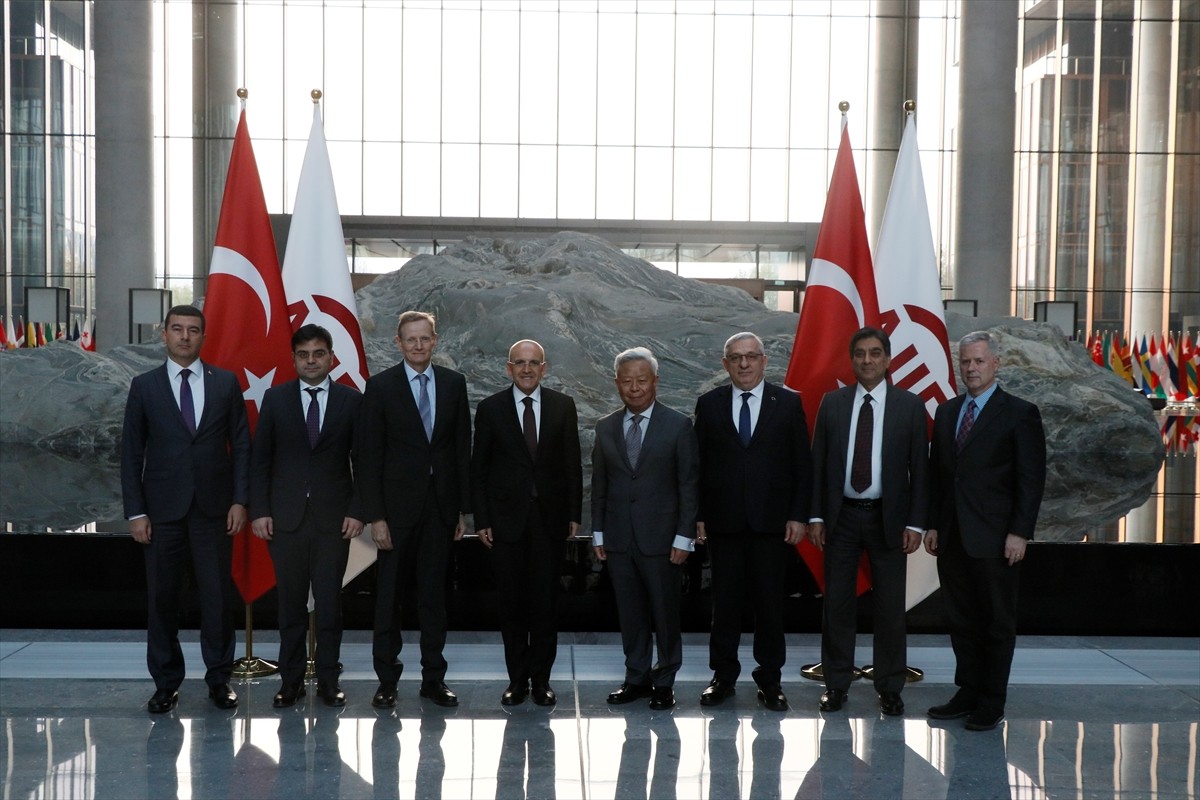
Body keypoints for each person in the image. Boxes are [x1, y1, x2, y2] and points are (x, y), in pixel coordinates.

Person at [120, 304, 250, 713]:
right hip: (161, 514)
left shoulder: (226, 383)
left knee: (216, 599)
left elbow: (243, 446)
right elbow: (130, 453)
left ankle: (218, 680)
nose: (185, 337)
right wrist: (136, 512)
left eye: (193, 330)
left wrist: (240, 500)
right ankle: (165, 683)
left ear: (203, 336)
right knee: (162, 601)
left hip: (214, 511)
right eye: (177, 329)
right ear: (165, 334)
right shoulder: (144, 386)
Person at [924, 330, 1046, 731]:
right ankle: (967, 691)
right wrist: (932, 524)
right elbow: (938, 476)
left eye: (978, 361)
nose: (971, 369)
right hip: (953, 537)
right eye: (965, 362)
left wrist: (1019, 532)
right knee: (960, 619)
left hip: (996, 540)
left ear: (996, 364)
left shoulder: (1019, 412)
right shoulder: (947, 412)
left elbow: (1031, 479)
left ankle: (992, 701)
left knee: (996, 622)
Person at [807, 326, 929, 716]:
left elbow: (920, 472)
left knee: (890, 608)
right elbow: (819, 464)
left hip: (888, 520)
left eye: (875, 353)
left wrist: (915, 524)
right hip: (841, 518)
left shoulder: (910, 406)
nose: (867, 361)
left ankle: (890, 687)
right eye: (860, 354)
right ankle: (836, 684)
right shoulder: (833, 403)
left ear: (888, 360)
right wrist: (815, 515)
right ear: (852, 359)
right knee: (838, 605)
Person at [692, 332, 813, 711]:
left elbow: (802, 466)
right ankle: (723, 676)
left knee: (769, 606)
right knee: (724, 606)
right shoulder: (709, 404)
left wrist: (798, 515)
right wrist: (697, 516)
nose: (744, 364)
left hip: (772, 525)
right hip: (723, 524)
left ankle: (770, 679)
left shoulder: (789, 403)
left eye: (750, 357)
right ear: (725, 364)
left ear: (764, 361)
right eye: (735, 358)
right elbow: (698, 466)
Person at [358, 310, 471, 708]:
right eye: (411, 339)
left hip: (440, 511)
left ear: (435, 340)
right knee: (388, 599)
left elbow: (460, 450)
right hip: (394, 514)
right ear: (398, 342)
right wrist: (376, 516)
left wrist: (459, 509)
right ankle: (387, 680)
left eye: (425, 339)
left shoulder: (454, 384)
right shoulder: (381, 387)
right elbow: (367, 455)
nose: (418, 346)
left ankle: (433, 680)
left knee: (433, 600)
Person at [249, 324, 363, 708]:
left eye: (318, 354)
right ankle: (291, 681)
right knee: (291, 606)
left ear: (331, 357)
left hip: (335, 520)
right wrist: (260, 510)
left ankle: (329, 680)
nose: (311, 361)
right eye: (303, 354)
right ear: (294, 358)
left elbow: (364, 461)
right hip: (285, 519)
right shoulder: (276, 399)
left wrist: (358, 511)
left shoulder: (351, 400)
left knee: (330, 605)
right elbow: (260, 459)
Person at [471, 339, 583, 707]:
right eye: (519, 363)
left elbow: (571, 464)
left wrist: (573, 514)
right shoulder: (490, 409)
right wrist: (482, 518)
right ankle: (517, 680)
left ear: (544, 368)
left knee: (545, 605)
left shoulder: (562, 406)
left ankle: (542, 681)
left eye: (534, 363)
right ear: (509, 368)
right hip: (505, 523)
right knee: (512, 605)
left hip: (550, 522)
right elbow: (480, 470)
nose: (527, 369)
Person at [591, 347, 700, 710]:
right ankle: (636, 677)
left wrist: (684, 536)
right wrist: (599, 533)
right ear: (616, 384)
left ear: (655, 381)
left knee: (665, 614)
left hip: (664, 540)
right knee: (630, 613)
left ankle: (665, 680)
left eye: (641, 380)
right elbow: (601, 485)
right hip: (619, 539)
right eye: (627, 381)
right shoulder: (605, 426)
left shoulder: (679, 424)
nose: (634, 388)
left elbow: (688, 485)